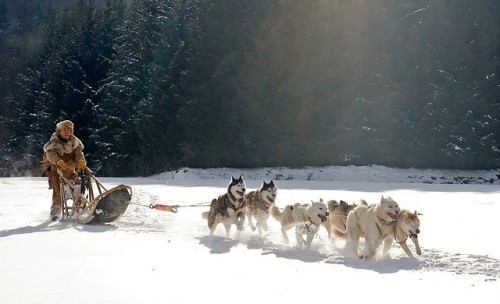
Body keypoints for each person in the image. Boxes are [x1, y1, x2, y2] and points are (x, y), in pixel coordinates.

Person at [42, 120, 87, 220]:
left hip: (69, 168)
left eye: (69, 130)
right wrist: (58, 162)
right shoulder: (53, 142)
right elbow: (51, 155)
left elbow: (79, 153)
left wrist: (81, 161)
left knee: (77, 184)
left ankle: (78, 207)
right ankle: (55, 212)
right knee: (58, 190)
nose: (67, 132)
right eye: (64, 130)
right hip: (55, 168)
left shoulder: (74, 142)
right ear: (59, 131)